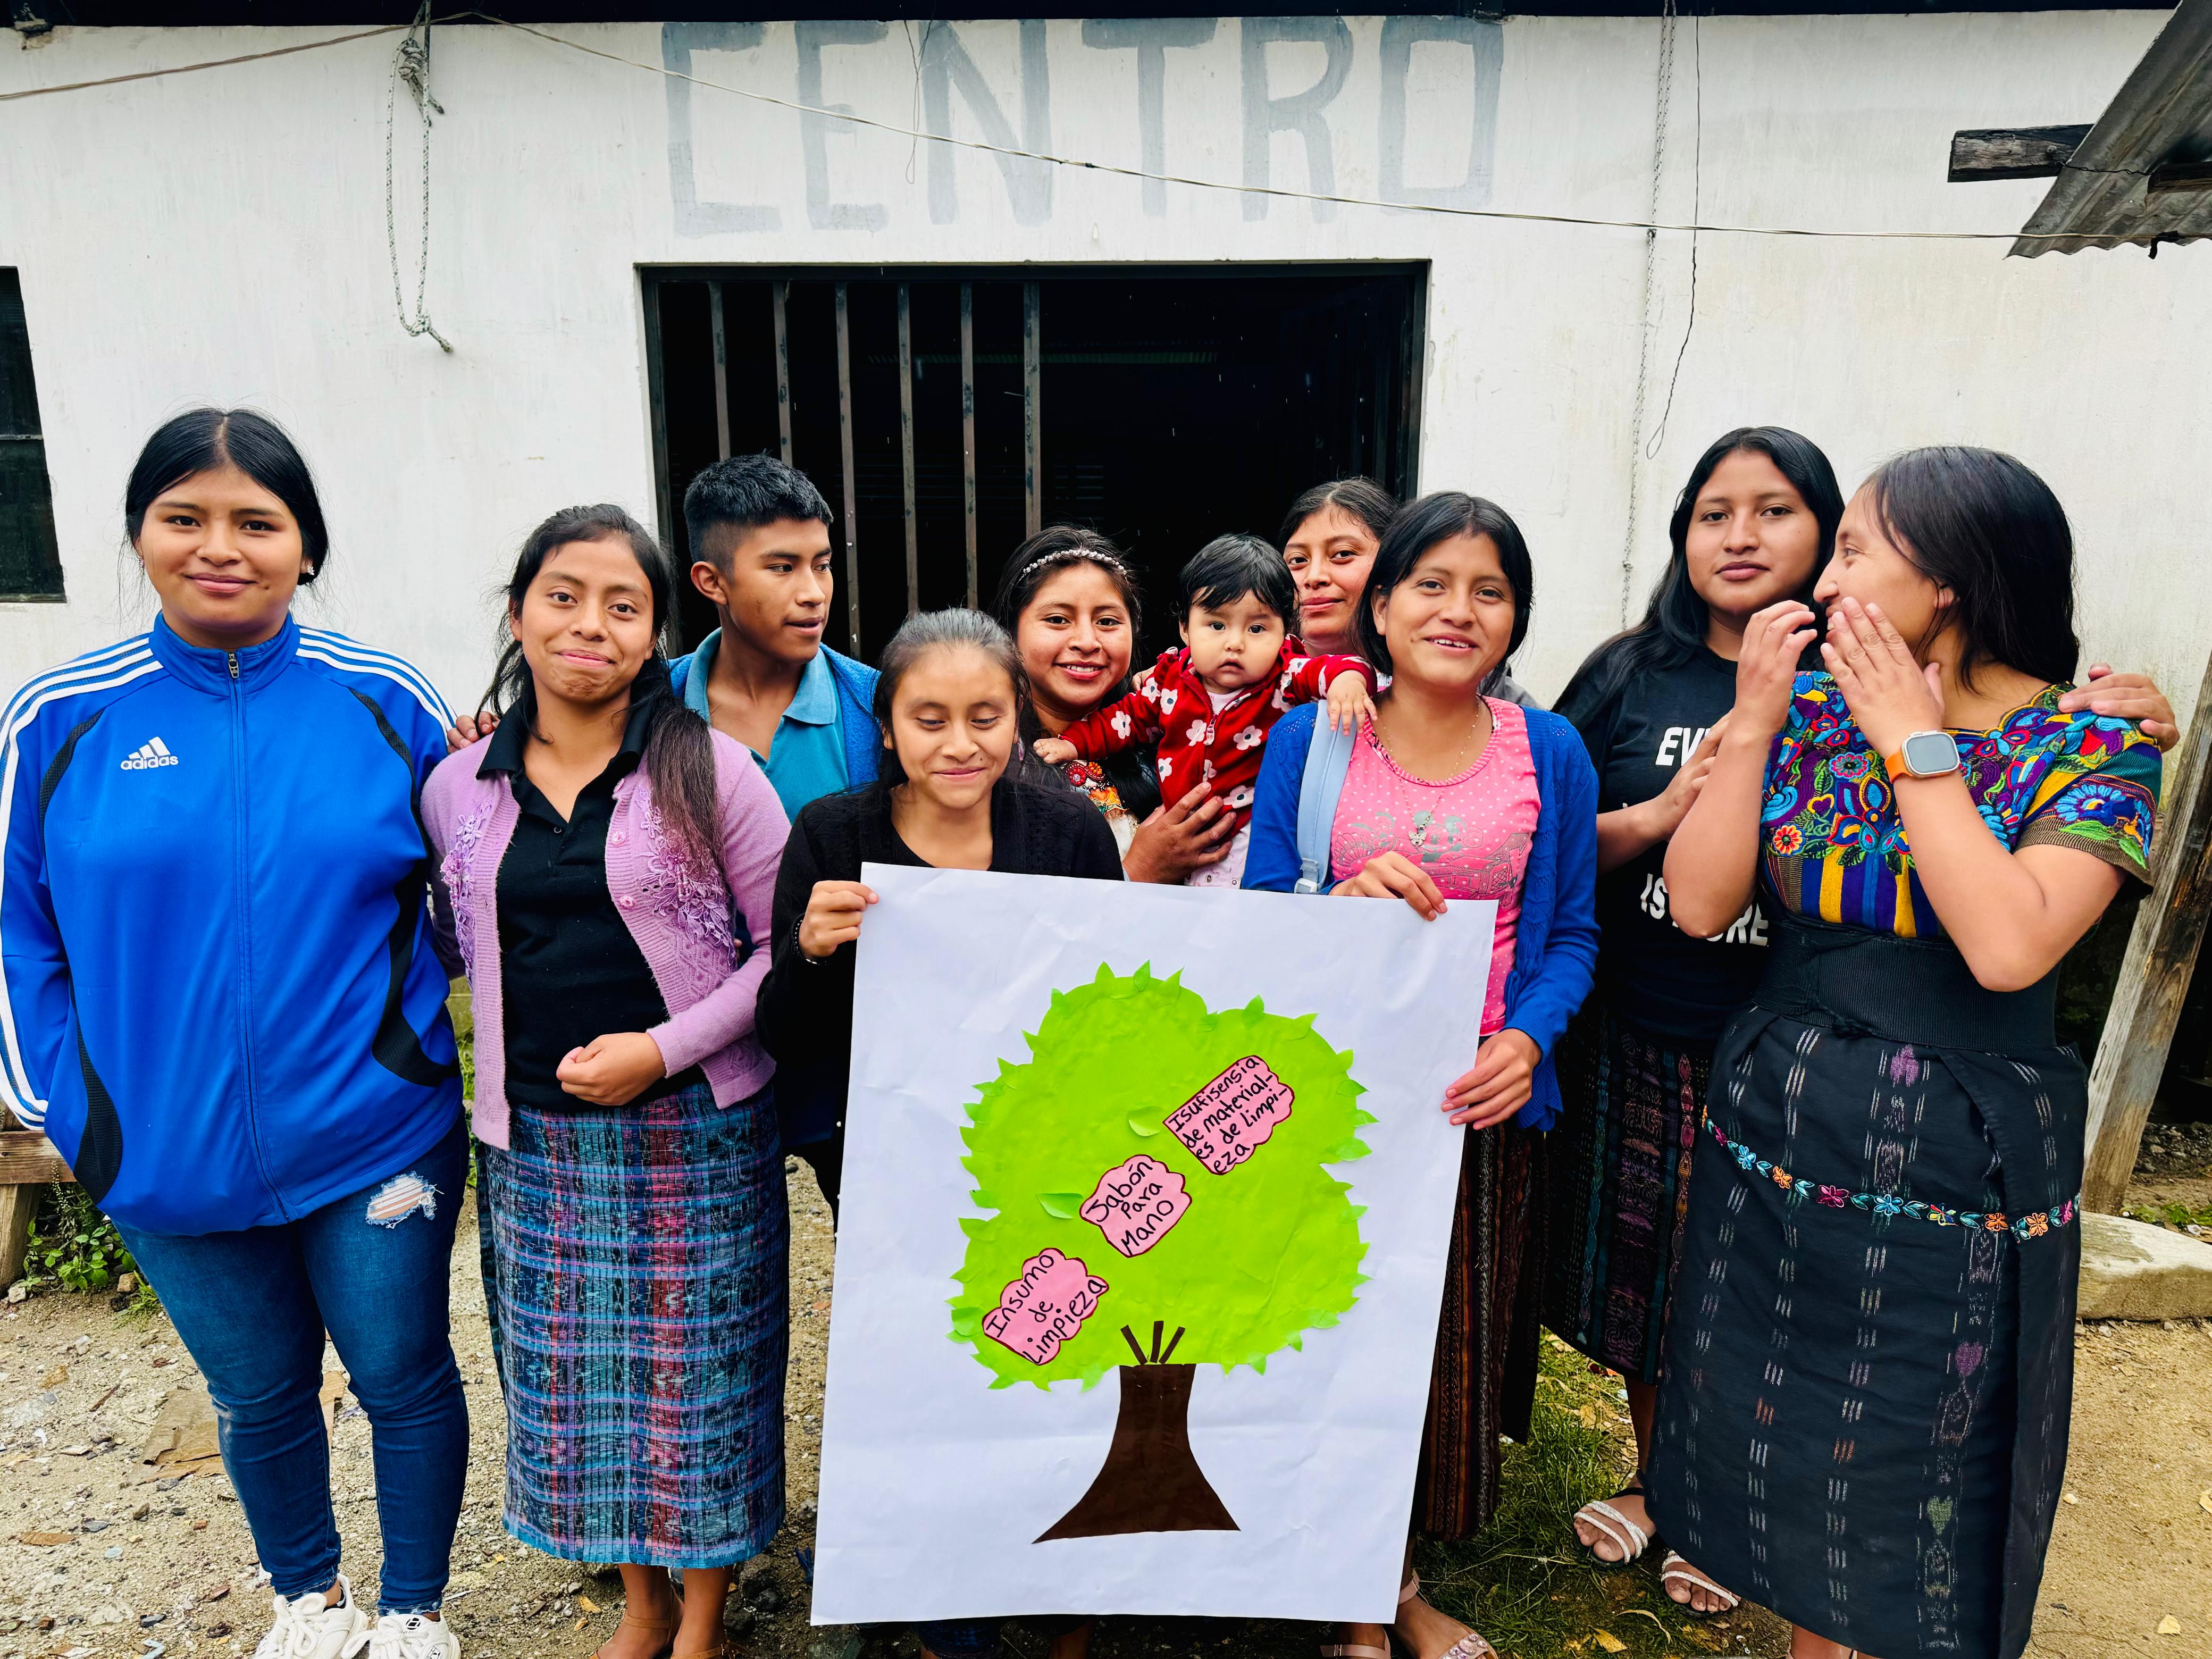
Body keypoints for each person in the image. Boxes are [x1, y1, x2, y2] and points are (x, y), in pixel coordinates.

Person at [1647, 447, 2163, 1659]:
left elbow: (2008, 945)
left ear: (1949, 583)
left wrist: (1912, 743)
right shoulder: (1807, 715)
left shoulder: (2092, 746)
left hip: (1953, 1171)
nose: (1826, 578)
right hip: (1779, 1142)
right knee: (1778, 1437)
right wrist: (1754, 721)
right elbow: (1702, 899)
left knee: (1907, 1463)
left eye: (1853, 549)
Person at [0, 409, 468, 1659]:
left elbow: (466, 888)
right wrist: (67, 1107)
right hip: (157, 1148)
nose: (221, 546)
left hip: (376, 1133)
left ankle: (416, 1608)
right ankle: (308, 1601)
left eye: (257, 521)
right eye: (185, 517)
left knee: (403, 1372)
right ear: (138, 536)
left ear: (306, 548)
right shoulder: (60, 716)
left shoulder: (386, 699)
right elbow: (16, 933)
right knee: (257, 1392)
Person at [424, 505, 790, 1659]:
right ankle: (642, 1605)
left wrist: (662, 1049)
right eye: (564, 596)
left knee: (699, 1387)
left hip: (697, 1136)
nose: (591, 623)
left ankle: (704, 1619)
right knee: (587, 1396)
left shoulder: (712, 771)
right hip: (536, 1145)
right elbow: (452, 940)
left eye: (622, 606)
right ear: (518, 614)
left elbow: (782, 950)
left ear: (653, 634)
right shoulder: (457, 785)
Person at [1243, 493, 1600, 1659]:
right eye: (1432, 585)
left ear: (1515, 620)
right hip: (1330, 1107)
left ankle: (1385, 1581)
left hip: (1473, 1111)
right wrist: (1337, 902)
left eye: (1489, 591)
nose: (1459, 611)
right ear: (1383, 606)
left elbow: (1572, 933)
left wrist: (1527, 1041)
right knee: (1322, 1344)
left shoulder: (1549, 751)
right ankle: (1351, 1589)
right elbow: (1260, 913)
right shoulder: (1313, 743)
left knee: (1428, 1355)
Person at [753, 608, 1118, 1659]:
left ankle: (1058, 1592)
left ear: (1018, 717)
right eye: (929, 719)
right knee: (919, 1364)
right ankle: (938, 1605)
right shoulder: (833, 835)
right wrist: (809, 951)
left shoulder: (1067, 833)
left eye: (984, 717)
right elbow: (784, 1033)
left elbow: (1112, 1004)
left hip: (1044, 1161)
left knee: (1045, 1352)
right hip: (886, 1159)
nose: (959, 743)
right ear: (886, 726)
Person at [1542, 427, 1843, 1610]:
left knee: (1767, 1283)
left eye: (1773, 510)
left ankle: (1733, 1498)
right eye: (1714, 513)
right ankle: (1663, 1479)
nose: (1739, 536)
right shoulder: (1631, 673)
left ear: (1826, 533)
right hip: (1643, 1029)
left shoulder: (1866, 677)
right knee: (1655, 1278)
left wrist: (2102, 707)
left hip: (1799, 1041)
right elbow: (1539, 821)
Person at [447, 456, 874, 1211]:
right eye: (782, 567)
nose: (813, 591)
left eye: (822, 564)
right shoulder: (644, 706)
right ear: (711, 582)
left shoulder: (874, 712)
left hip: (845, 1052)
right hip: (705, 1072)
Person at [1033, 533, 1376, 887]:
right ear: (1185, 628)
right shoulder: (1168, 682)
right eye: (1217, 625)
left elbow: (1337, 667)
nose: (1235, 643)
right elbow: (1123, 721)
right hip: (1180, 842)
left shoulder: (1285, 678)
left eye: (1257, 628)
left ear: (1285, 633)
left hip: (1249, 833)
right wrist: (1073, 743)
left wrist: (1348, 681)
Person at [992, 525, 1239, 881]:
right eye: (1058, 620)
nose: (1087, 641)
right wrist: (1137, 872)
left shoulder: (1169, 730)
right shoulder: (987, 758)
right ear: (1011, 631)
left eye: (1107, 621)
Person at [1280, 477, 1532, 705]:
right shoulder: (1262, 684)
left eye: (1343, 554)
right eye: (1298, 560)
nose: (1314, 577)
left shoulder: (1487, 694)